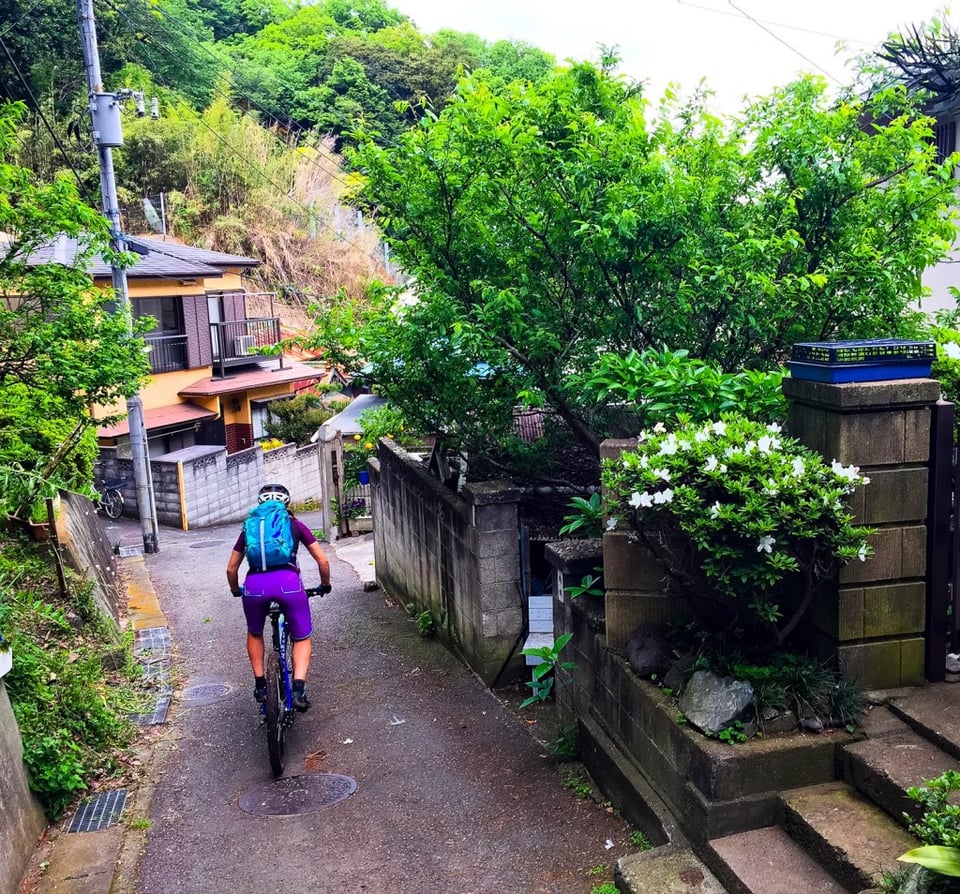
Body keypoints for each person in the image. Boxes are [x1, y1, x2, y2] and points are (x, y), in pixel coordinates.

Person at [226, 483, 331, 711]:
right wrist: (325, 585)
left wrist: (236, 590)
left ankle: (261, 685)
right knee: (302, 635)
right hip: (289, 585)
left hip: (254, 587)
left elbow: (231, 569)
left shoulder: (250, 527)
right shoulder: (294, 524)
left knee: (255, 632)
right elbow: (322, 561)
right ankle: (299, 688)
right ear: (287, 503)